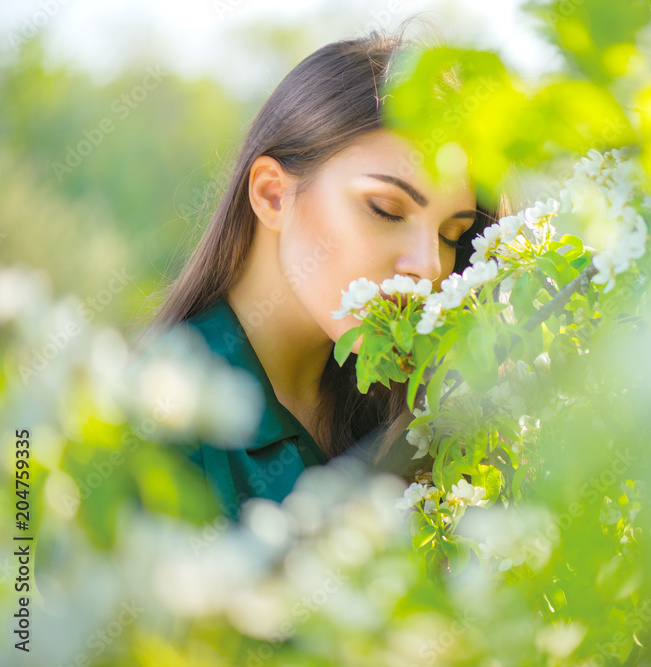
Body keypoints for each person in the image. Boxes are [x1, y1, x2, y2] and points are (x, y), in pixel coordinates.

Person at [129, 26, 509, 522]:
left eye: (450, 235)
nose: (430, 267)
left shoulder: (419, 418)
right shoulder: (149, 421)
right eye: (386, 209)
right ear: (272, 194)